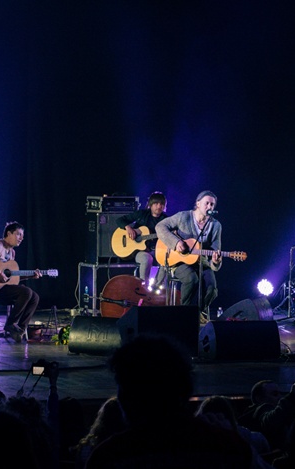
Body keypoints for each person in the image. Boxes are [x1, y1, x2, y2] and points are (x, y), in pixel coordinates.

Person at [85, 334, 254, 468]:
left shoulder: (109, 456)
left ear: (126, 395)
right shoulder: (228, 446)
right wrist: (231, 436)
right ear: (185, 389)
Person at [155, 190, 222, 322]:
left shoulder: (216, 226)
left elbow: (216, 250)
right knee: (191, 279)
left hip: (200, 261)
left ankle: (197, 313)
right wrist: (176, 242)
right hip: (178, 260)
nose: (209, 207)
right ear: (198, 203)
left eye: (212, 205)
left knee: (211, 288)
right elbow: (160, 226)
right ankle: (184, 313)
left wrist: (215, 261)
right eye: (206, 203)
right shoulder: (183, 217)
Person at [0, 221, 42, 343]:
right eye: (18, 234)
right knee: (26, 292)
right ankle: (10, 324)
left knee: (35, 297)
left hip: (3, 289)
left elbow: (10, 277)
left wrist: (30, 276)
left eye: (22, 236)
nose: (21, 238)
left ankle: (20, 330)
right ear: (9, 233)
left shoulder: (11, 253)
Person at [114, 191, 168, 286]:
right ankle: (143, 287)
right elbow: (119, 220)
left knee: (167, 259)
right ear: (150, 205)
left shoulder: (166, 220)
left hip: (157, 251)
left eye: (161, 204)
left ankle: (157, 287)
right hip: (140, 252)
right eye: (156, 203)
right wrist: (128, 228)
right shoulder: (142, 214)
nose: (159, 206)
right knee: (147, 258)